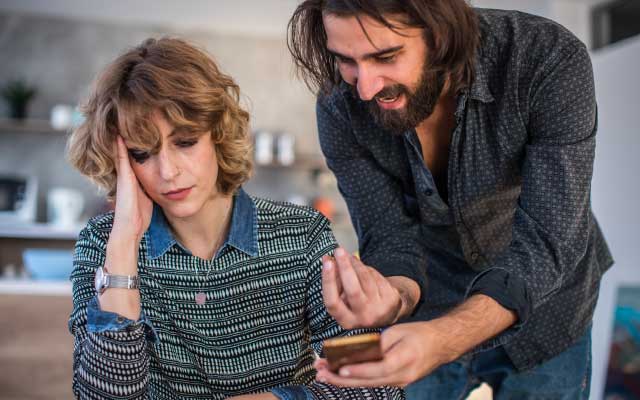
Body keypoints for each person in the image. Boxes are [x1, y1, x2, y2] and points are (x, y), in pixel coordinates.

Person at [287, 1, 614, 398]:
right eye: (346, 60)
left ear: (440, 35)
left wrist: (445, 337)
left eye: (386, 56)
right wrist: (393, 297)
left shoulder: (546, 57)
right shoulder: (340, 105)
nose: (366, 88)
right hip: (429, 308)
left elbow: (547, 240)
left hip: (549, 308)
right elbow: (389, 232)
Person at [66, 37, 403, 400]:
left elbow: (378, 386)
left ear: (218, 133)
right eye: (142, 153)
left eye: (185, 142)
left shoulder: (302, 235)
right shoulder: (104, 245)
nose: (168, 171)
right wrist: (123, 249)